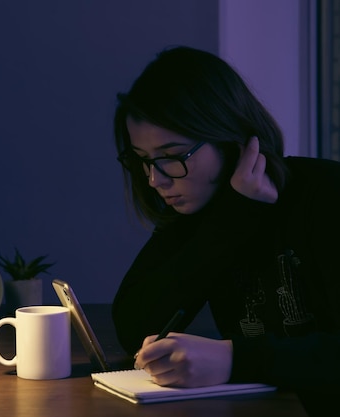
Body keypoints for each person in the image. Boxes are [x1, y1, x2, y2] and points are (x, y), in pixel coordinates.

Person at [111, 45, 340, 416]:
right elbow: (133, 326)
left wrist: (232, 359)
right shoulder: (203, 210)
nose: (155, 179)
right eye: (143, 160)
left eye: (172, 156)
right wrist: (235, 216)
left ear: (229, 139)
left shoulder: (326, 193)